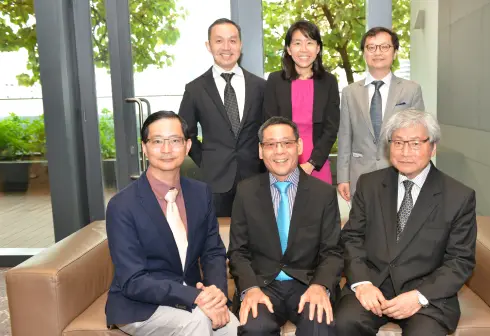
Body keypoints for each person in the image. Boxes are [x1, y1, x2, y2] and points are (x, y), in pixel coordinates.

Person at [335, 109, 477, 335]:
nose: (405, 152)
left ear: (433, 147)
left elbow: (460, 260)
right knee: (344, 322)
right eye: (398, 142)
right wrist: (362, 283)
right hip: (374, 286)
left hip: (426, 295)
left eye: (415, 143)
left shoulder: (458, 196)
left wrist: (419, 296)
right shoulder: (369, 184)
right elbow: (352, 237)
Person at [105, 111, 238, 335]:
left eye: (175, 141)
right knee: (197, 321)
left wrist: (215, 292)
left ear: (187, 146)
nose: (167, 149)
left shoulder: (200, 192)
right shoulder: (122, 205)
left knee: (234, 328)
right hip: (141, 306)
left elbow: (212, 251)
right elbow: (133, 280)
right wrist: (194, 298)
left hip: (195, 298)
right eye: (157, 141)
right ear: (144, 148)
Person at [228, 117, 343, 335]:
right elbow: (237, 251)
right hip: (262, 285)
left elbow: (333, 251)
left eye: (287, 143)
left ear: (299, 147)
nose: (279, 151)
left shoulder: (323, 193)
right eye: (270, 144)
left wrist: (320, 285)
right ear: (261, 151)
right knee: (254, 328)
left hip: (308, 283)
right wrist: (250, 288)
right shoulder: (246, 191)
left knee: (318, 325)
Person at [179, 18, 266, 217]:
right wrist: (206, 160)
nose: (226, 47)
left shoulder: (260, 86)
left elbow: (267, 129)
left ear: (240, 45)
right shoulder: (195, 89)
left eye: (232, 40)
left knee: (258, 239)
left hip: (255, 178)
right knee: (217, 240)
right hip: (214, 181)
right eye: (219, 41)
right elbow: (186, 132)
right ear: (208, 46)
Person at [337, 26, 425, 201]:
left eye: (384, 47)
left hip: (399, 171)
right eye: (371, 47)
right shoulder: (350, 92)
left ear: (395, 52)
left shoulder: (411, 90)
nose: (378, 52)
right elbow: (345, 137)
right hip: (359, 175)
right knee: (363, 225)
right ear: (364, 53)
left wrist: (416, 174)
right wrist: (342, 177)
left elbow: (418, 136)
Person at [263, 20, 339, 185]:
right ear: (289, 49)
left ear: (318, 48)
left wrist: (311, 164)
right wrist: (287, 164)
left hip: (317, 163)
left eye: (309, 43)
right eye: (297, 43)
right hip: (281, 160)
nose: (304, 49)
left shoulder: (329, 82)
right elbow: (269, 125)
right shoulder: (275, 80)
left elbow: (331, 128)